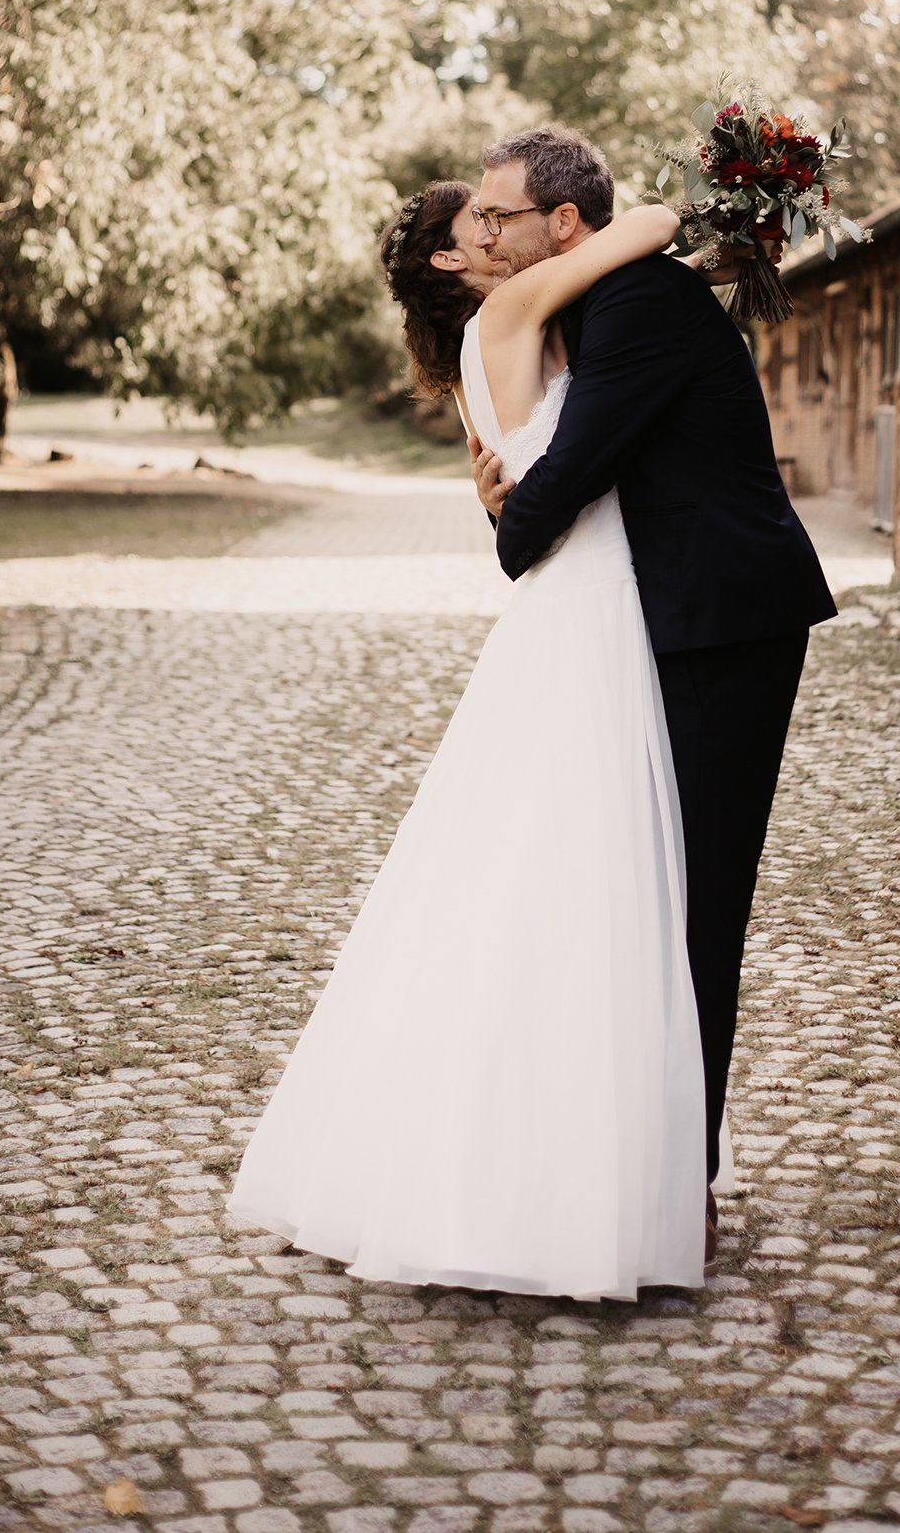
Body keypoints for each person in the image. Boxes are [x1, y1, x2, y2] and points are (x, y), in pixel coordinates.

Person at [227, 170, 711, 1299]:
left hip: (571, 601)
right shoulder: (509, 313)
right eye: (475, 226)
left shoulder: (477, 353)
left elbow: (521, 468)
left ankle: (546, 1163)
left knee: (541, 875)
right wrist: (650, 213)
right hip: (589, 609)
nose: (494, 234)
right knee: (581, 880)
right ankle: (544, 1187)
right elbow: (649, 224)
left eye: (500, 219)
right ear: (451, 262)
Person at [469, 126, 835, 1256]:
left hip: (725, 627)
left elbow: (571, 472)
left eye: (499, 216)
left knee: (697, 902)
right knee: (642, 893)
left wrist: (504, 527)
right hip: (663, 625)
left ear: (561, 224)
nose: (485, 235)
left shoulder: (636, 305)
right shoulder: (591, 306)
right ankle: (629, 1153)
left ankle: (683, 1181)